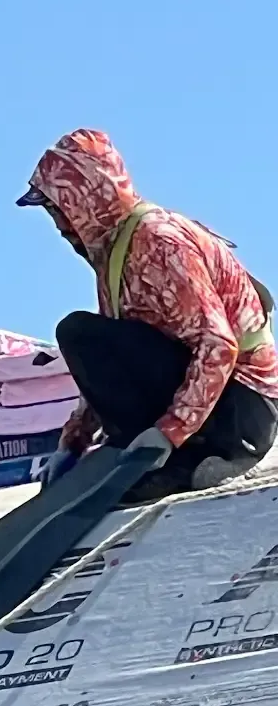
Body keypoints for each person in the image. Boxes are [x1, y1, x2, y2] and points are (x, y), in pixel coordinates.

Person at [18, 129, 278, 499]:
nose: (59, 226)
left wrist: (168, 431)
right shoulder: (116, 254)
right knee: (94, 338)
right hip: (218, 407)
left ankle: (194, 459)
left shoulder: (158, 242)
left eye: (60, 209)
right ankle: (151, 454)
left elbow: (218, 345)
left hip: (243, 414)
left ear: (89, 201)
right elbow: (120, 356)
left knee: (79, 333)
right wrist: (73, 442)